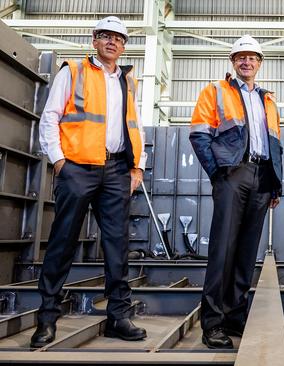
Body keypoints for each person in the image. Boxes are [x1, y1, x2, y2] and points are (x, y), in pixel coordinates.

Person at [32, 16, 147, 347]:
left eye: (119, 39)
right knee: (62, 242)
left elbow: (134, 124)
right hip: (77, 168)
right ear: (94, 40)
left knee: (117, 246)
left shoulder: (128, 80)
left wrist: (137, 167)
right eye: (106, 36)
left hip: (116, 170)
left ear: (124, 46)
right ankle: (48, 318)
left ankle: (118, 317)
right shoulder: (74, 70)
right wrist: (59, 161)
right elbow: (51, 116)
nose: (112, 42)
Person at [190, 35, 282, 349]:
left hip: (261, 177)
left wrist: (275, 183)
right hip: (232, 174)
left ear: (259, 63)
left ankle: (234, 314)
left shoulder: (268, 99)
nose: (247, 62)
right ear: (233, 62)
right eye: (241, 57)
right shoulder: (215, 91)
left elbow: (275, 146)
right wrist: (217, 173)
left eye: (252, 57)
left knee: (245, 254)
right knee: (222, 251)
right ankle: (212, 323)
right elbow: (199, 134)